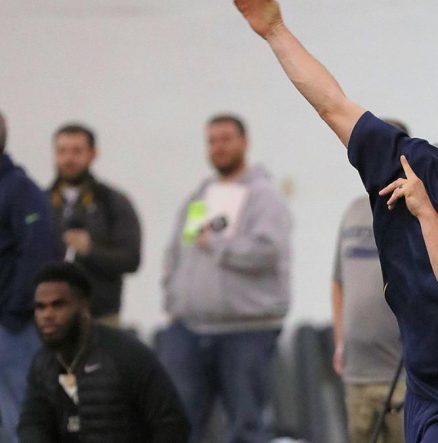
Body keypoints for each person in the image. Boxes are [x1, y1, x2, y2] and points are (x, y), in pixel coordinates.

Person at [234, 2, 438, 441]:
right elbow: (334, 106)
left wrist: (424, 211)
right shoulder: (424, 166)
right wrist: (274, 31)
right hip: (420, 394)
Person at [159, 113, 292, 443]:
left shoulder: (263, 196)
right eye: (212, 141)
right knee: (178, 424)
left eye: (226, 139)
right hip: (190, 329)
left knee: (246, 426)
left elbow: (267, 251)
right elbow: (180, 252)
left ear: (244, 142)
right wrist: (174, 302)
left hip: (245, 331)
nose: (218, 147)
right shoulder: (201, 198)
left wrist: (218, 245)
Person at [17, 262, 190, 442]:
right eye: (40, 307)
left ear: (83, 307)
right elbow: (32, 423)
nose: (47, 315)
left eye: (58, 305)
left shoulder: (127, 355)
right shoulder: (42, 363)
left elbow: (172, 423)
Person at [331, 119, 409, 443]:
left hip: (403, 375)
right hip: (358, 372)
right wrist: (340, 340)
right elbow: (338, 283)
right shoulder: (353, 211)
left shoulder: (416, 210)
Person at [47, 124, 142, 326]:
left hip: (100, 316)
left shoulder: (112, 202)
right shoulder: (41, 202)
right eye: (62, 151)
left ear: (93, 154)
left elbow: (131, 259)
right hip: (50, 319)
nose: (69, 159)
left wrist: (90, 251)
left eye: (76, 151)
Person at [0, 110, 55, 443]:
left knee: (21, 420)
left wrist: (13, 312)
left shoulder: (20, 190)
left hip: (12, 330)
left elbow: (39, 251)